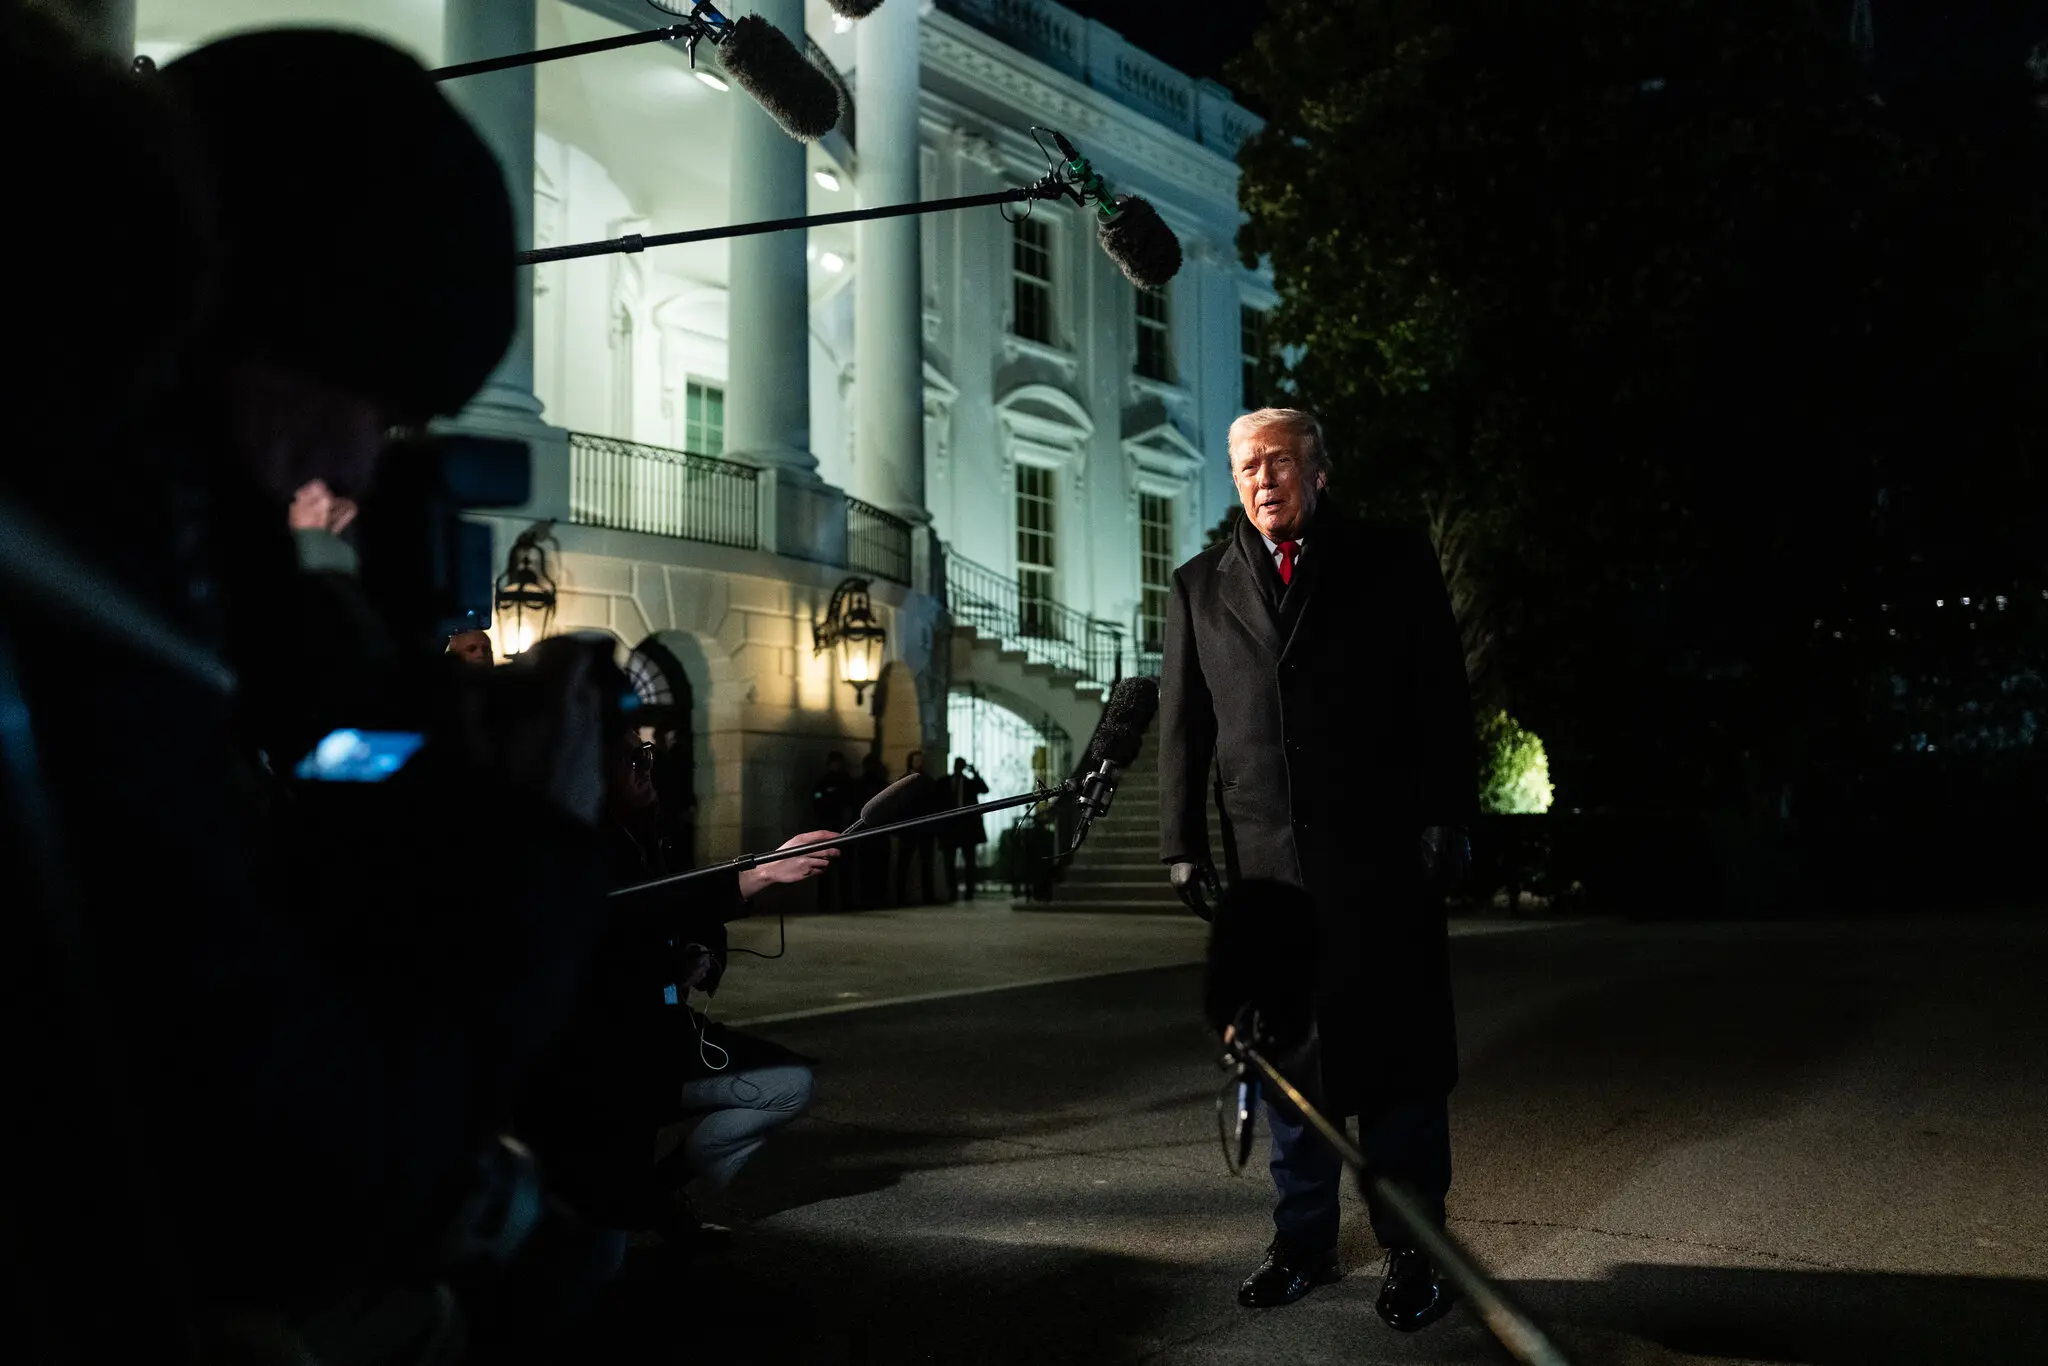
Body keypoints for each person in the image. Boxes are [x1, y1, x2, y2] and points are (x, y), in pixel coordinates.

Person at [4, 18, 617, 1357]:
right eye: (379, 408)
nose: (357, 468)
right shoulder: (92, 600)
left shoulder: (156, 579)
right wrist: (526, 840)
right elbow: (306, 1165)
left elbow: (283, 840)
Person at [1158, 408, 1474, 1332]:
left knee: (1401, 1074)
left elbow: (1441, 696)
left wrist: (1449, 813)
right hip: (1272, 881)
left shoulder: (1394, 559)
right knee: (1290, 1073)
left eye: (1281, 462)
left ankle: (1417, 1250)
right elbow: (1185, 729)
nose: (1263, 479)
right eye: (1247, 466)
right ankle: (1301, 1243)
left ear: (1319, 472)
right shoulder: (1197, 588)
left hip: (1384, 869)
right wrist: (1181, 845)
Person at [520, 725, 836, 1258]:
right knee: (591, 1252)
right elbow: (624, 921)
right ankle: (627, 1203)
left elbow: (672, 909)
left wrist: (688, 954)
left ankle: (658, 1193)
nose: (646, 767)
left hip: (661, 1046)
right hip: (593, 1067)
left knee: (789, 1084)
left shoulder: (644, 831)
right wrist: (757, 875)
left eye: (646, 754)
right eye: (630, 759)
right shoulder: (570, 843)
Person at [811, 750, 858, 911]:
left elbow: (853, 804)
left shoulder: (847, 782)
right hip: (828, 829)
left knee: (845, 869)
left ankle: (846, 903)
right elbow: (817, 801)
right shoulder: (824, 782)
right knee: (824, 868)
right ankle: (823, 904)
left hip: (845, 830)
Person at [940, 757, 990, 902]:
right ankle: (952, 891)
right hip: (950, 826)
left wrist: (975, 773)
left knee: (970, 860)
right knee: (949, 861)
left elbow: (985, 789)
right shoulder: (944, 782)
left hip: (967, 826)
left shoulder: (970, 782)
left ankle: (969, 892)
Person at [894, 749, 940, 905]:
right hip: (908, 828)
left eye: (921, 760)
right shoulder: (902, 781)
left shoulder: (928, 781)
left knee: (927, 863)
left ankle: (928, 896)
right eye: (916, 760)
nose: (919, 762)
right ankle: (899, 896)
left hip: (925, 827)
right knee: (904, 863)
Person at [853, 751, 890, 908]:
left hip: (870, 833)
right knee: (875, 869)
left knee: (870, 869)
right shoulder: (877, 784)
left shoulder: (863, 784)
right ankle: (875, 899)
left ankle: (870, 899)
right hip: (874, 833)